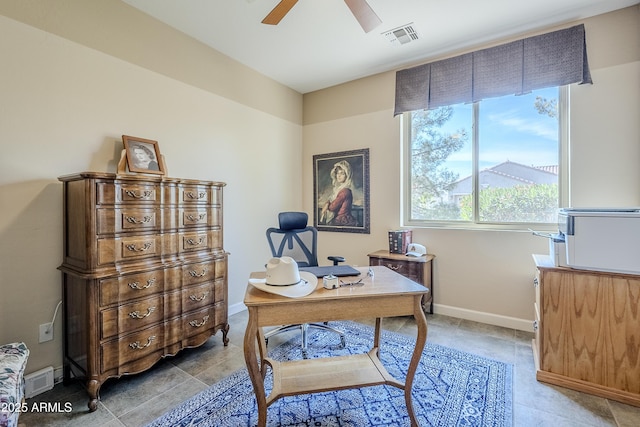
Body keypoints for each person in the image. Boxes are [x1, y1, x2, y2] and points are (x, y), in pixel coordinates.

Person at [321, 160, 357, 226]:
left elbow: (332, 207)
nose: (339, 176)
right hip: (341, 219)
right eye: (338, 173)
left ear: (347, 176)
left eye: (342, 173)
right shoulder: (342, 189)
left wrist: (327, 203)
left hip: (342, 221)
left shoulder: (345, 191)